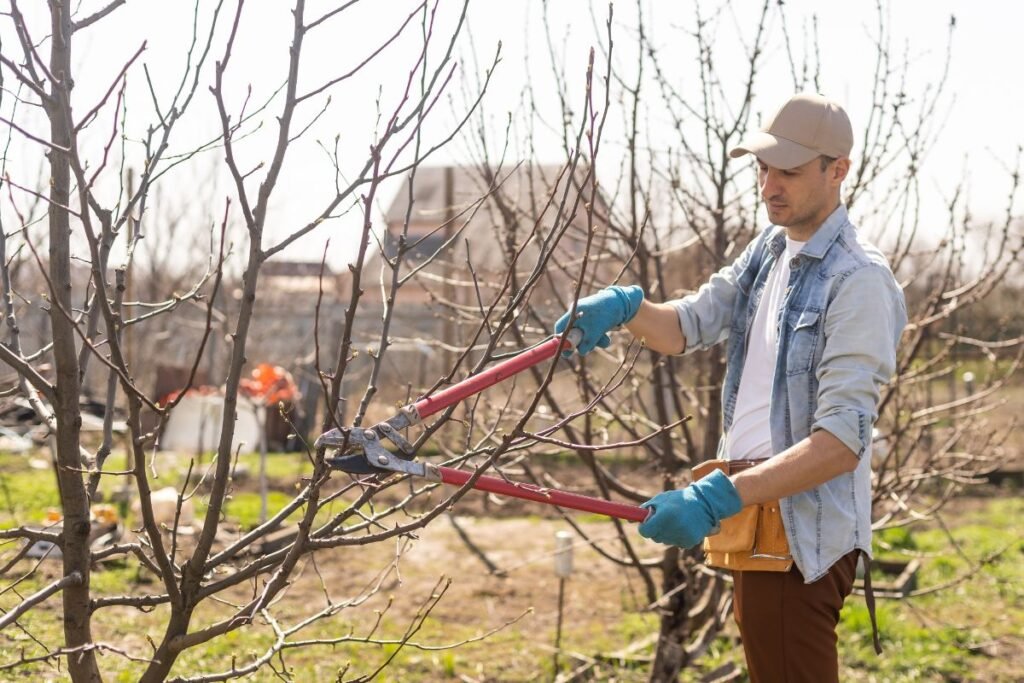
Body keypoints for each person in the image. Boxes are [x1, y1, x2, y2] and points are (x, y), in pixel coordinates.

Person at [554, 93, 906, 682]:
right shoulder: (769, 252)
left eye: (789, 171)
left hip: (797, 537)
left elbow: (842, 442)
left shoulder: (859, 281)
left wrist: (718, 496)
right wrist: (624, 307)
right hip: (757, 525)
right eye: (763, 168)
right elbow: (686, 325)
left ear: (837, 169)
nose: (769, 184)